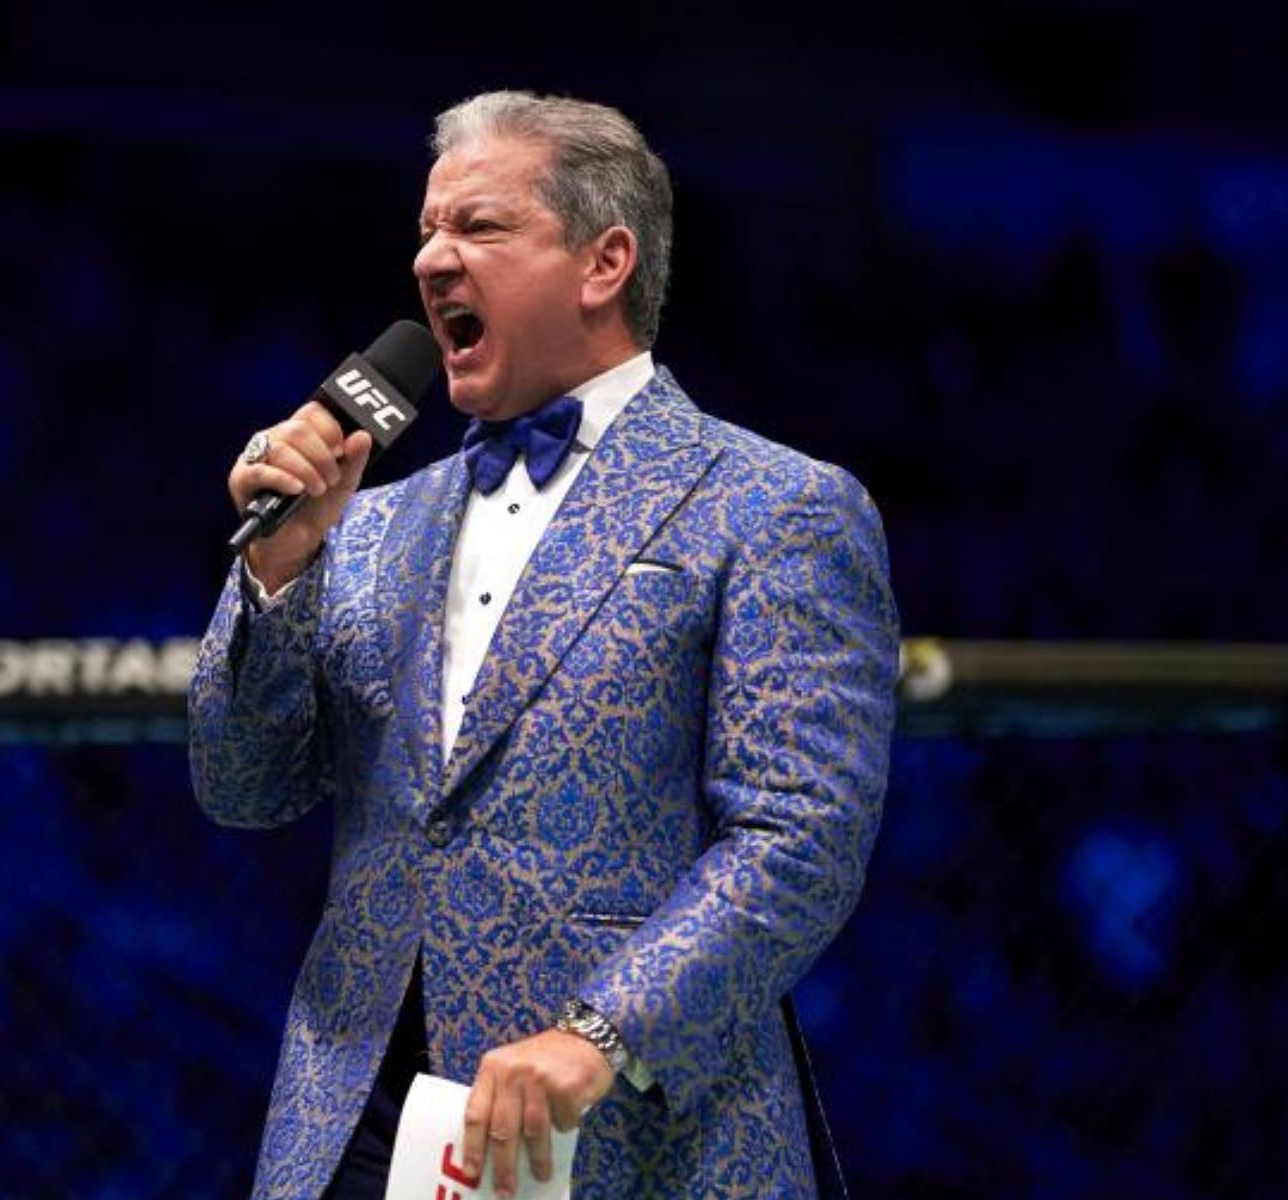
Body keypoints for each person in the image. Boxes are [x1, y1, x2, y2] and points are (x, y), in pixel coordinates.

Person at [189, 90, 897, 1200]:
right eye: (426, 230)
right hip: (361, 1113)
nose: (432, 259)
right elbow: (243, 787)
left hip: (642, 1128)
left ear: (604, 262)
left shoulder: (772, 505)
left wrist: (600, 1037)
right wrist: (277, 570)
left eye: (477, 227)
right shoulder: (370, 525)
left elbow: (799, 839)